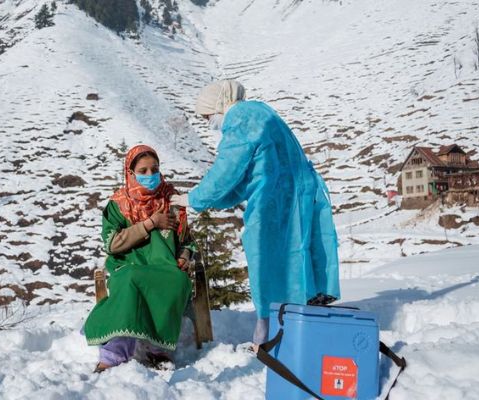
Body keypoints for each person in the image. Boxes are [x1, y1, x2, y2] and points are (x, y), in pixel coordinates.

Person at [170, 80, 340, 347]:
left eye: (207, 117)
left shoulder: (240, 117)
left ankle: (271, 336)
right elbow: (245, 178)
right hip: (295, 195)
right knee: (298, 261)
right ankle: (294, 328)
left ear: (219, 105)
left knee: (270, 266)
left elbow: (227, 170)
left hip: (277, 203)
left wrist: (193, 198)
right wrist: (204, 201)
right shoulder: (260, 112)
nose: (210, 122)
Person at [84, 144, 195, 372]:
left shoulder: (172, 201)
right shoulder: (118, 204)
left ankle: (157, 349)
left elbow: (186, 241)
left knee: (178, 280)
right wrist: (150, 223)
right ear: (130, 173)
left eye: (154, 169)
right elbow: (112, 243)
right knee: (132, 279)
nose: (150, 175)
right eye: (143, 171)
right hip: (129, 265)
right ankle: (115, 352)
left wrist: (184, 257)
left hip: (164, 266)